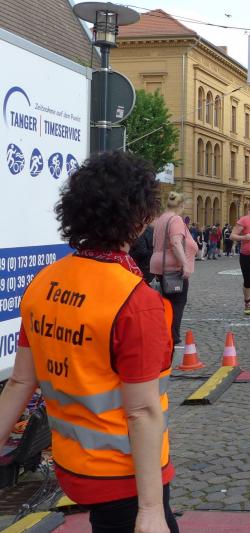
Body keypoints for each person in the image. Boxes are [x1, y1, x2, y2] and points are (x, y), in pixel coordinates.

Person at [0, 151, 178, 533]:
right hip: (124, 475)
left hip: (72, 465)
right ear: (139, 218)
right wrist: (150, 510)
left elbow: (19, 382)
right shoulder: (136, 301)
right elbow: (141, 411)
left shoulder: (44, 282)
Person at [151, 192, 198, 348]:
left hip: (159, 264)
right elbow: (176, 242)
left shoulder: (162, 218)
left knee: (166, 302)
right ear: (181, 205)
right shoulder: (175, 219)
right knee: (177, 303)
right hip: (173, 267)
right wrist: (185, 264)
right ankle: (173, 337)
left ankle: (165, 334)